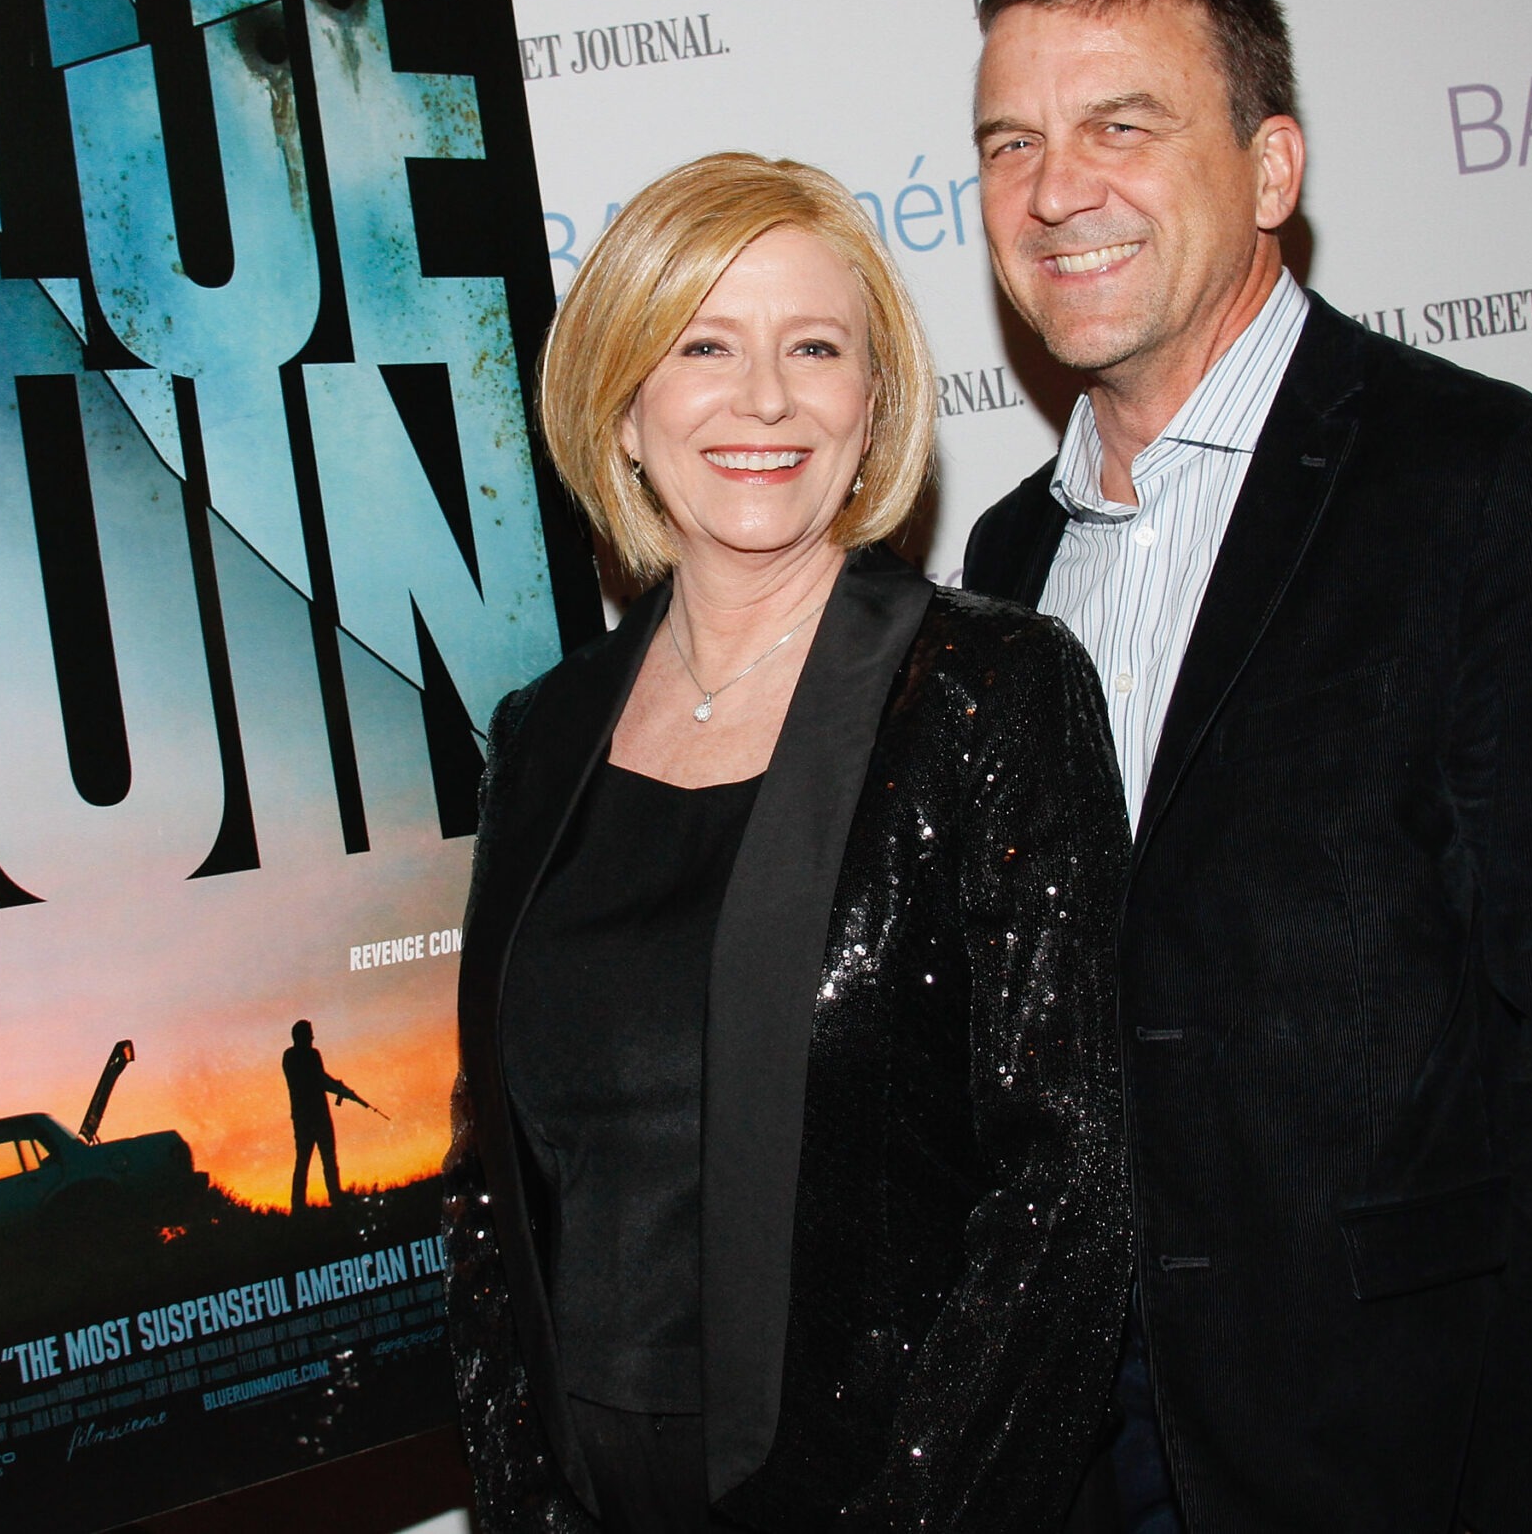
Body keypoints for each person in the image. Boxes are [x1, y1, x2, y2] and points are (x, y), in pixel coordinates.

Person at [959, 0, 1532, 1533]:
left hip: (1395, 1446)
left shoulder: (1501, 498)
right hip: (1077, 1456)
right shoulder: (1005, 559)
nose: (1056, 189)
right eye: (1011, 142)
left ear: (1270, 168)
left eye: (1123, 124)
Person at [446, 153, 1132, 1533]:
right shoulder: (542, 734)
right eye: (703, 343)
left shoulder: (986, 694)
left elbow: (1074, 1189)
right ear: (621, 404)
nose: (764, 398)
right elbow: (493, 1193)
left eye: (814, 347)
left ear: (870, 408)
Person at [283, 1019, 360, 1210]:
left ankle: (314, 1203)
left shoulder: (294, 1056)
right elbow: (318, 1079)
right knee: (311, 1161)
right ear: (300, 1036)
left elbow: (321, 1077)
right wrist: (339, 1089)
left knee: (318, 1160)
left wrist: (339, 1088)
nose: (312, 1037)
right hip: (311, 1116)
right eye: (309, 1034)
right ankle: (316, 1203)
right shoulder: (299, 1056)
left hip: (309, 1116)